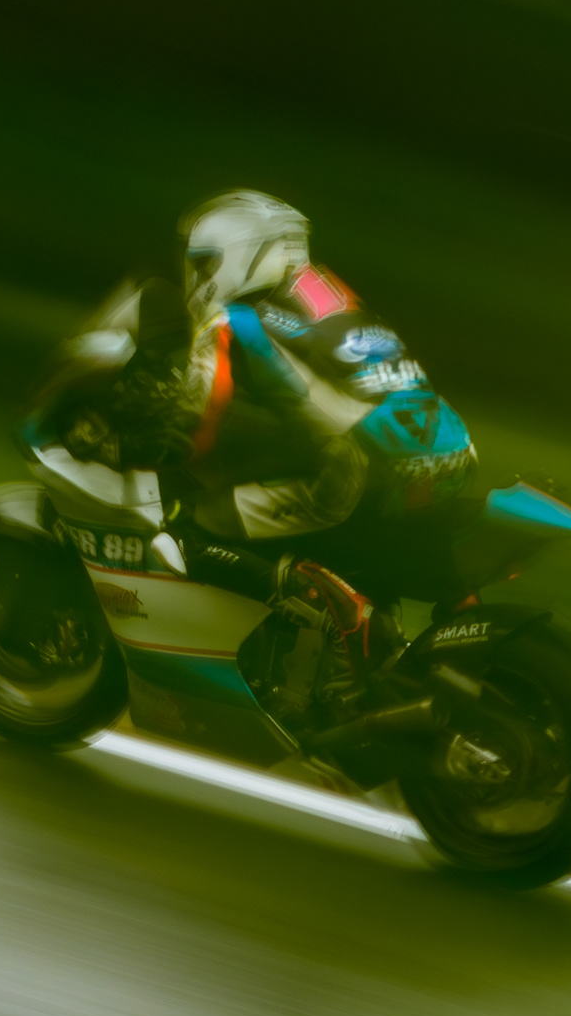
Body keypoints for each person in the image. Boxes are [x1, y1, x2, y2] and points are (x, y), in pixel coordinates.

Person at [26, 190, 478, 677]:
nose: (198, 276)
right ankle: (446, 621)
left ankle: (340, 616)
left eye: (205, 263)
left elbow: (198, 424)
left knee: (179, 528)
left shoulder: (236, 319)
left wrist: (125, 445)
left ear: (240, 256)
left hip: (354, 471)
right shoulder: (331, 296)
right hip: (445, 456)